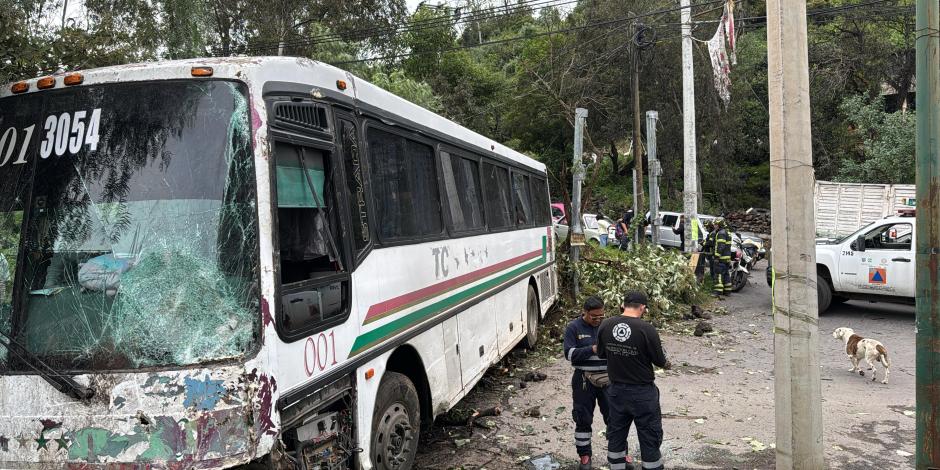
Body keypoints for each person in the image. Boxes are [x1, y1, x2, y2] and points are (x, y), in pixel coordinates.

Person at [597, 291, 670, 470]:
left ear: (623, 304)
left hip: (615, 392)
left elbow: (601, 354)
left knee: (616, 436)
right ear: (643, 308)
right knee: (649, 437)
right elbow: (660, 361)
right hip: (642, 394)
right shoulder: (647, 329)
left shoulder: (606, 325)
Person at [564, 296, 610, 470]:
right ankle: (584, 456)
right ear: (584, 312)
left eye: (601, 316)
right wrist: (591, 349)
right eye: (594, 316)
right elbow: (569, 354)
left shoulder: (608, 326)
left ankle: (620, 454)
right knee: (583, 418)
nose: (598, 320)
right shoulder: (573, 328)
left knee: (615, 418)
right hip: (583, 380)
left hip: (608, 379)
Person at [713, 219, 733, 296]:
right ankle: (727, 291)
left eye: (715, 224)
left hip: (721, 258)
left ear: (719, 225)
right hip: (727, 258)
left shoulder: (721, 233)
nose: (714, 226)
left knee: (719, 274)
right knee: (726, 274)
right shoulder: (728, 232)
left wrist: (717, 257)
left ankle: (718, 292)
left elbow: (720, 246)